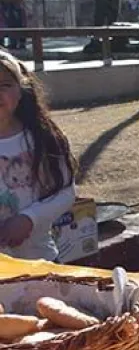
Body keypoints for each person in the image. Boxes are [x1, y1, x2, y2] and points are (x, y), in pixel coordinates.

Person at [0, 52, 77, 259]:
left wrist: (29, 218)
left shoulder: (42, 139)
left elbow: (66, 193)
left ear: (21, 90)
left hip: (40, 260)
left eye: (5, 85)